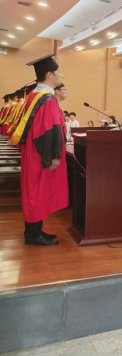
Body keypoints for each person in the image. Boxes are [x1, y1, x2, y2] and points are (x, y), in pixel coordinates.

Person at [10, 54, 68, 246]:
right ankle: (33, 235)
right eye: (59, 71)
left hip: (33, 151)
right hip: (40, 153)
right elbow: (49, 129)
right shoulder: (47, 98)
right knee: (37, 191)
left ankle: (35, 231)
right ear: (49, 74)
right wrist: (54, 156)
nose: (61, 75)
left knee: (35, 191)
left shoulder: (35, 95)